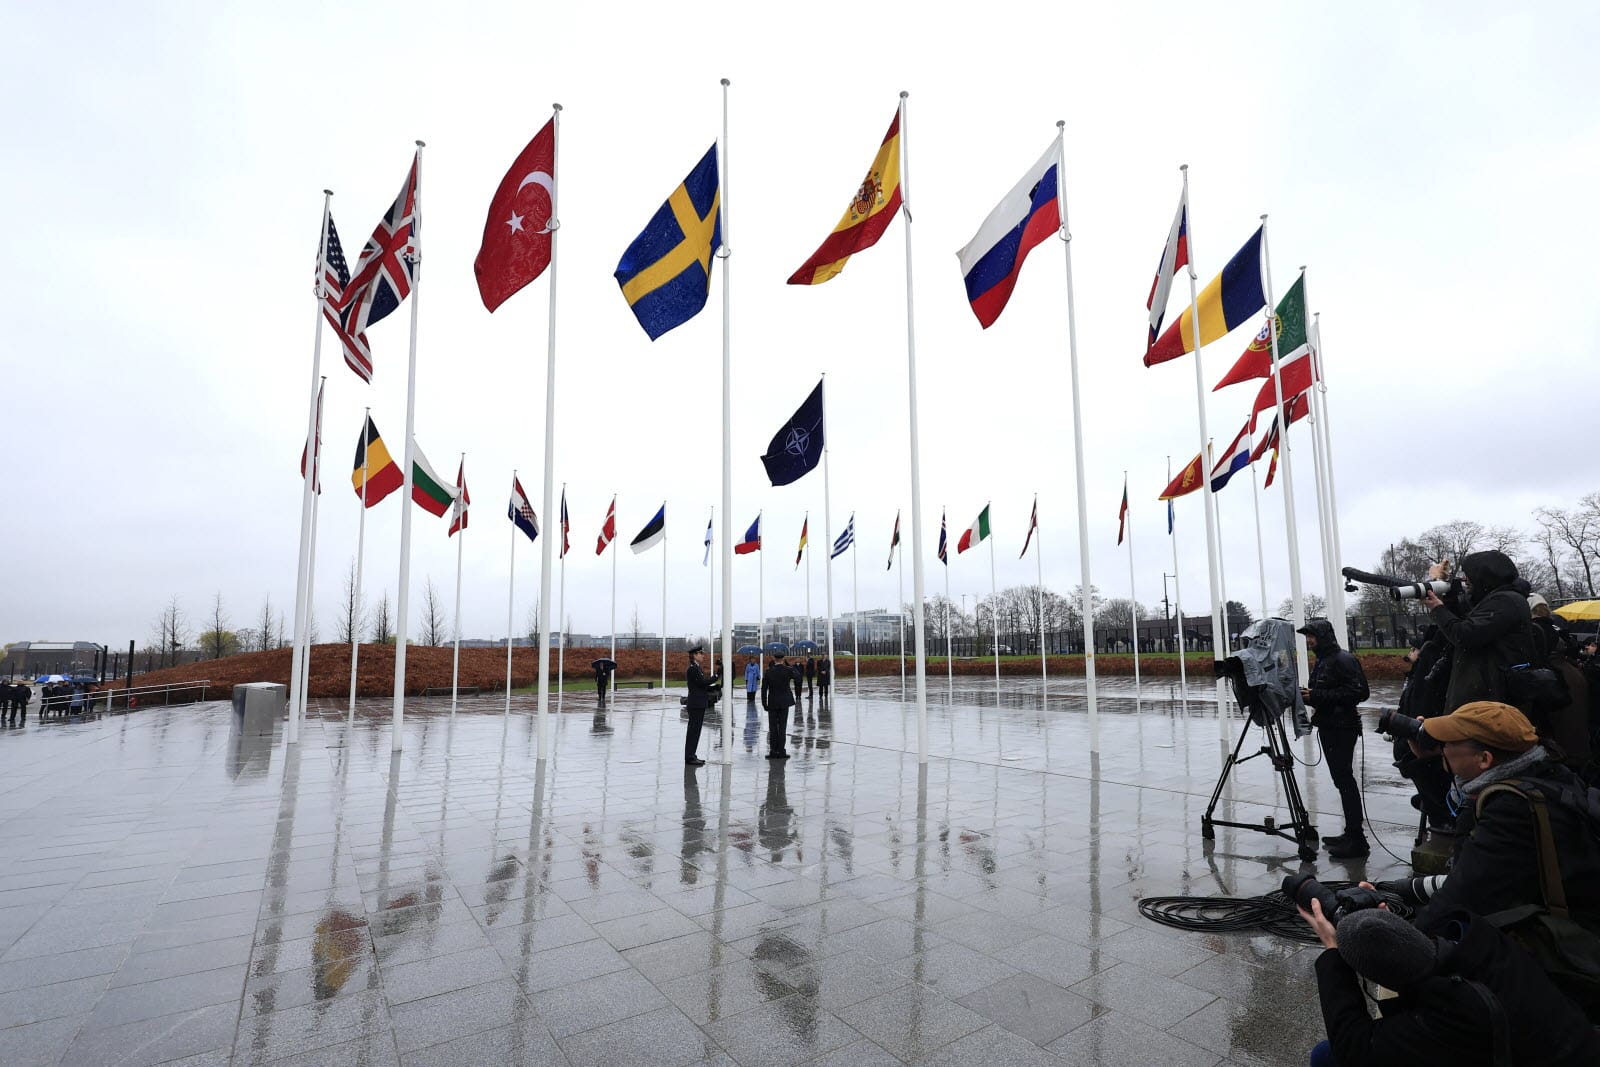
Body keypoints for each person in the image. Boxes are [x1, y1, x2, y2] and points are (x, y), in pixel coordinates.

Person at [1381, 701, 1600, 932]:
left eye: (1448, 742)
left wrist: (1399, 934)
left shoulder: (1512, 811)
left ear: (1484, 759)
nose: (1441, 748)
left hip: (1563, 941)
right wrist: (1398, 888)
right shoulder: (1548, 772)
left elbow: (1462, 896)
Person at [1301, 903, 1600, 1066]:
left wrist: (1333, 954)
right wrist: (1388, 928)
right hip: (1575, 1043)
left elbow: (1354, 1048)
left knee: (1326, 1057)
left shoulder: (1452, 1014)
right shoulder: (1481, 940)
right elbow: (1415, 955)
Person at [1422, 552, 1536, 713]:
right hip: (1485, 698)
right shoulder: (1498, 600)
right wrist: (1449, 598)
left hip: (1490, 703)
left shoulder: (1505, 602)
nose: (1464, 580)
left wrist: (1437, 608)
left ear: (1484, 577)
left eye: (1468, 575)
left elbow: (1464, 634)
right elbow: (1465, 617)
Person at [1298, 619, 1372, 858]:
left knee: (1345, 781)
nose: (1308, 640)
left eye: (1311, 636)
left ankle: (1357, 840)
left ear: (1323, 636)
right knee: (1342, 781)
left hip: (1342, 728)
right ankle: (1351, 833)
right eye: (1307, 636)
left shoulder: (1343, 659)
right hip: (1332, 726)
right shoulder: (1325, 660)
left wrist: (1316, 695)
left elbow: (1360, 692)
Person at [683, 645, 720, 767]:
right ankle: (689, 757)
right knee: (693, 731)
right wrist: (716, 675)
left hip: (698, 703)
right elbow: (702, 683)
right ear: (694, 655)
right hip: (695, 704)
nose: (703, 655)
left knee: (696, 731)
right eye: (700, 653)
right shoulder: (693, 669)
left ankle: (692, 755)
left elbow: (702, 686)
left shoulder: (697, 668)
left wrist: (714, 687)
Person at [760, 652, 794, 760]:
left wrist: (764, 703)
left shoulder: (769, 672)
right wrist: (788, 665)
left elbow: (764, 689)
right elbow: (798, 677)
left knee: (773, 727)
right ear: (783, 659)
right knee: (782, 726)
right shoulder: (788, 670)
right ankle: (782, 751)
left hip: (773, 702)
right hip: (784, 702)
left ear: (774, 659)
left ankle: (773, 751)